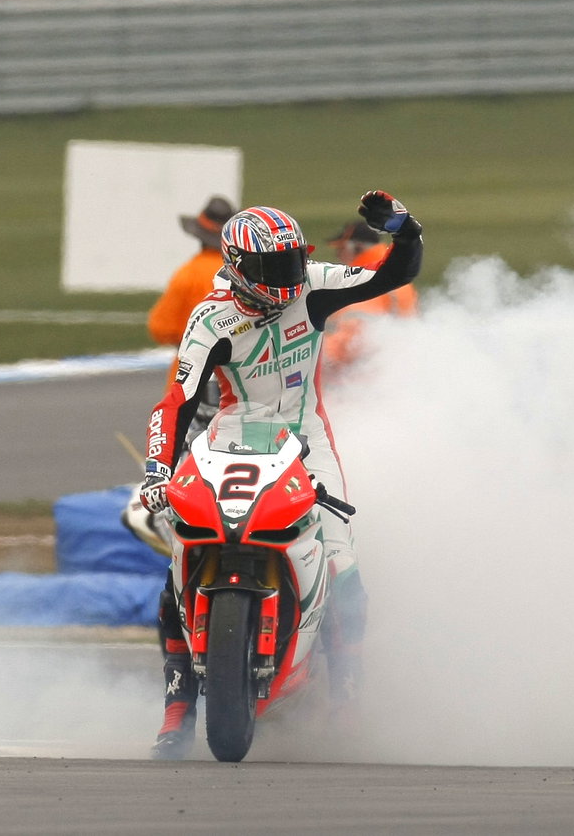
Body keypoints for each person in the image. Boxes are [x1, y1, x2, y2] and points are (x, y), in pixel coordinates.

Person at [137, 191, 423, 760]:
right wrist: (157, 471)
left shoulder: (313, 285)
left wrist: (404, 230)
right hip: (229, 438)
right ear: (241, 269)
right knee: (180, 556)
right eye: (277, 267)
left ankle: (345, 695)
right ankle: (177, 705)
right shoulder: (210, 318)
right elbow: (176, 401)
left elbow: (394, 273)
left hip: (306, 440)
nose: (292, 276)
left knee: (345, 567)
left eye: (295, 260)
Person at [146, 196, 236, 380]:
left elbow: (160, 328)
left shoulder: (188, 274)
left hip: (192, 372)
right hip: (242, 372)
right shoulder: (245, 272)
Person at [321, 220, 419, 372]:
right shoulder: (395, 274)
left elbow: (353, 337)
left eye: (341, 249)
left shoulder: (363, 280)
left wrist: (317, 355)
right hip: (398, 365)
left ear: (358, 247)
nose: (338, 255)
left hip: (366, 373)